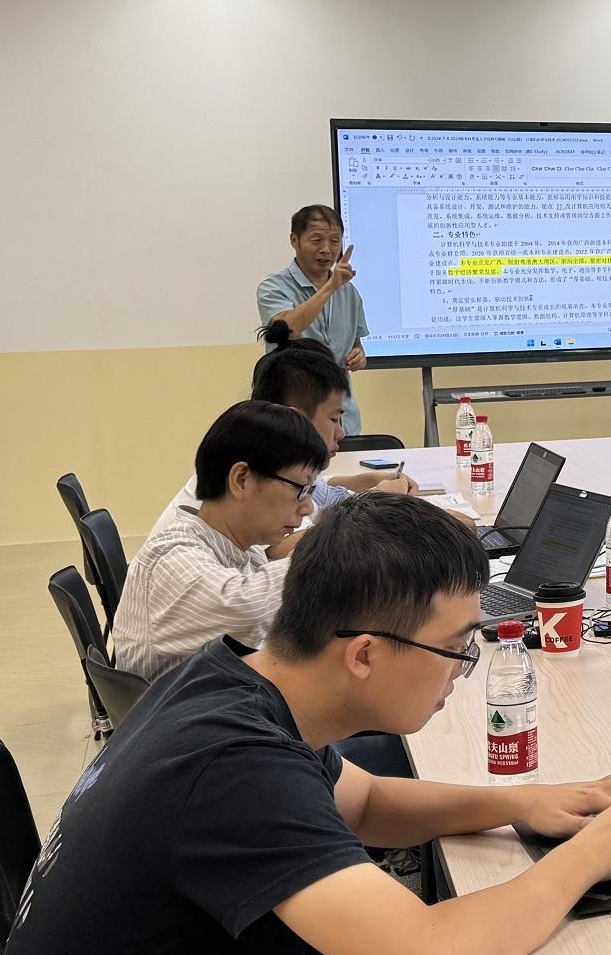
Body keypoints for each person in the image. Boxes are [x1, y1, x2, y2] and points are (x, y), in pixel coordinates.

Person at [0, 494, 611, 955]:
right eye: (455, 649)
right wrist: (590, 855)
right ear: (364, 654)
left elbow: (367, 804)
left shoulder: (225, 681)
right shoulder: (235, 769)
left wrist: (523, 804)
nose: (462, 671)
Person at [114, 400, 328, 681]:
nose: (308, 507)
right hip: (182, 707)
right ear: (241, 479)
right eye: (301, 488)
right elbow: (247, 610)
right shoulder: (170, 557)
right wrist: (332, 549)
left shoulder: (242, 547)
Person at [152, 325, 412, 537]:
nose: (341, 433)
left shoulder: (270, 458)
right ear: (295, 417)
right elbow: (294, 550)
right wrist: (375, 502)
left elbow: (320, 493)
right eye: (334, 418)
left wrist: (370, 483)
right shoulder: (259, 480)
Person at [258, 204, 369, 435]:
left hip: (343, 418)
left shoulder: (350, 293)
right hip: (294, 415)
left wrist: (359, 356)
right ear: (295, 240)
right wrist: (330, 287)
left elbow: (355, 344)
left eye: (335, 241)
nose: (326, 250)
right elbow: (287, 329)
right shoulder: (273, 287)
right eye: (317, 240)